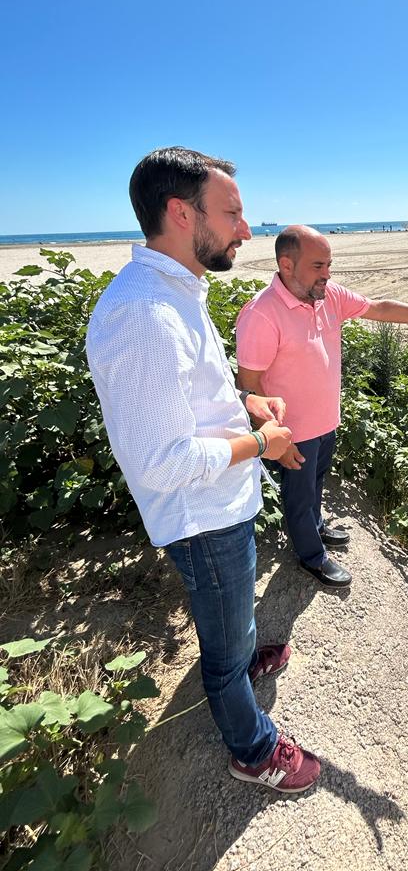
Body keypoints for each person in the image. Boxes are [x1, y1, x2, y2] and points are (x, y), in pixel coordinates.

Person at [86, 148, 320, 793]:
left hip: (223, 499)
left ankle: (244, 662)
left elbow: (192, 392)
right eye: (234, 213)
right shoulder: (144, 313)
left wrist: (246, 402)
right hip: (201, 514)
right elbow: (164, 465)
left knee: (236, 617)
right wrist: (263, 441)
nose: (248, 229)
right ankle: (252, 748)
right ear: (181, 213)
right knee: (219, 648)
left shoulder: (177, 290)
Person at [235, 224, 408, 588]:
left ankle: (315, 529)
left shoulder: (328, 296)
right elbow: (249, 386)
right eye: (318, 266)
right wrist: (273, 439)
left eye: (329, 264)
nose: (327, 274)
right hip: (291, 430)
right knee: (298, 497)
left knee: (315, 485)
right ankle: (310, 557)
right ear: (286, 264)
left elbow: (377, 308)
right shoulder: (261, 314)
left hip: (325, 419)